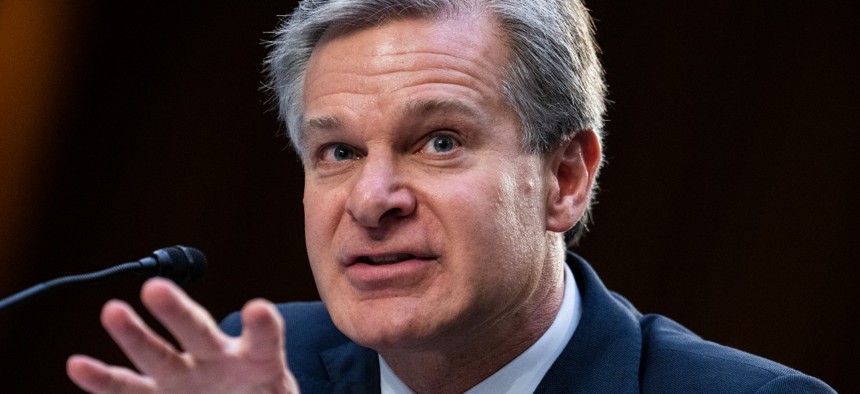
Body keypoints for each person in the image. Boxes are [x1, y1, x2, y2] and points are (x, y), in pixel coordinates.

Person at [66, 0, 835, 392]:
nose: (372, 199)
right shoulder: (260, 367)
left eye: (439, 141)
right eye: (337, 151)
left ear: (565, 179)